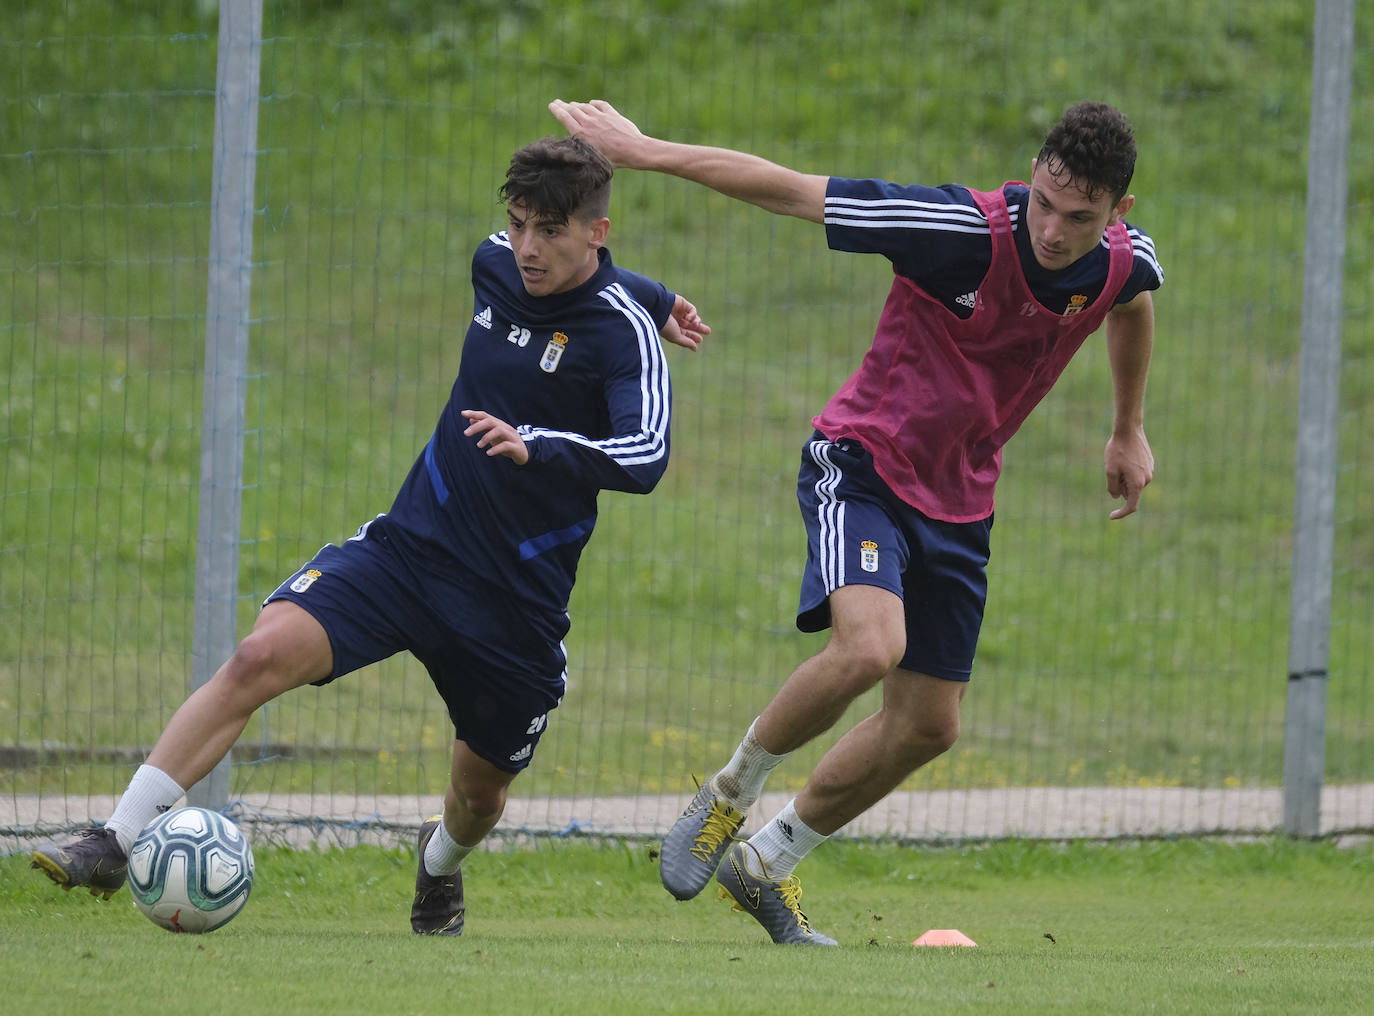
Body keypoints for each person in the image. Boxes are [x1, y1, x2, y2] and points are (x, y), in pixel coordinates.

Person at [31, 134, 709, 937]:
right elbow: (558, 260)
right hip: (410, 550)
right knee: (257, 656)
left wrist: (540, 441)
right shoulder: (494, 262)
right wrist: (662, 293)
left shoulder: (620, 336)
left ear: (596, 231)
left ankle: (437, 868)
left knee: (478, 796)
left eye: (551, 232)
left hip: (513, 604)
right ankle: (115, 838)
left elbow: (647, 455)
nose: (528, 247)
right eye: (520, 222)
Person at [550, 98, 1162, 947]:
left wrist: (1127, 425)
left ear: (1117, 214)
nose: (1054, 230)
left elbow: (1133, 301)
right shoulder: (955, 229)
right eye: (1045, 204)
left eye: (1081, 218)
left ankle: (766, 863)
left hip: (963, 499)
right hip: (863, 462)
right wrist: (647, 152)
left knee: (929, 725)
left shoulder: (1122, 261)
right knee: (871, 647)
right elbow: (793, 190)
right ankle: (728, 795)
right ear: (1031, 177)